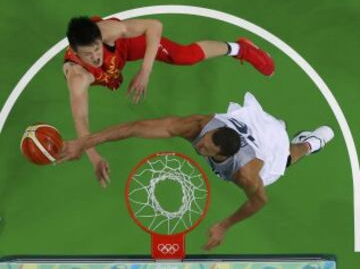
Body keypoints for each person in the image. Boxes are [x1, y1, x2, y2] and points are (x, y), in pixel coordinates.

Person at [57, 92, 334, 250]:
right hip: (246, 125)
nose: (199, 143)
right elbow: (135, 127)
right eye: (204, 139)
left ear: (221, 154)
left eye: (205, 146)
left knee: (285, 159)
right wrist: (84, 143)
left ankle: (309, 143)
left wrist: (225, 225)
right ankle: (308, 143)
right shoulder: (201, 125)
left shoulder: (245, 173)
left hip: (267, 143)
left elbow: (260, 200)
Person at [63, 16, 275, 186]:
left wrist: (145, 71)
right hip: (112, 62)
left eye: (97, 49)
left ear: (100, 39)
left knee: (184, 56)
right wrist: (94, 157)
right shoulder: (78, 78)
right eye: (88, 55)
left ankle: (241, 49)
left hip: (124, 48)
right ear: (75, 51)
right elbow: (81, 119)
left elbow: (154, 26)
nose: (96, 57)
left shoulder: (109, 31)